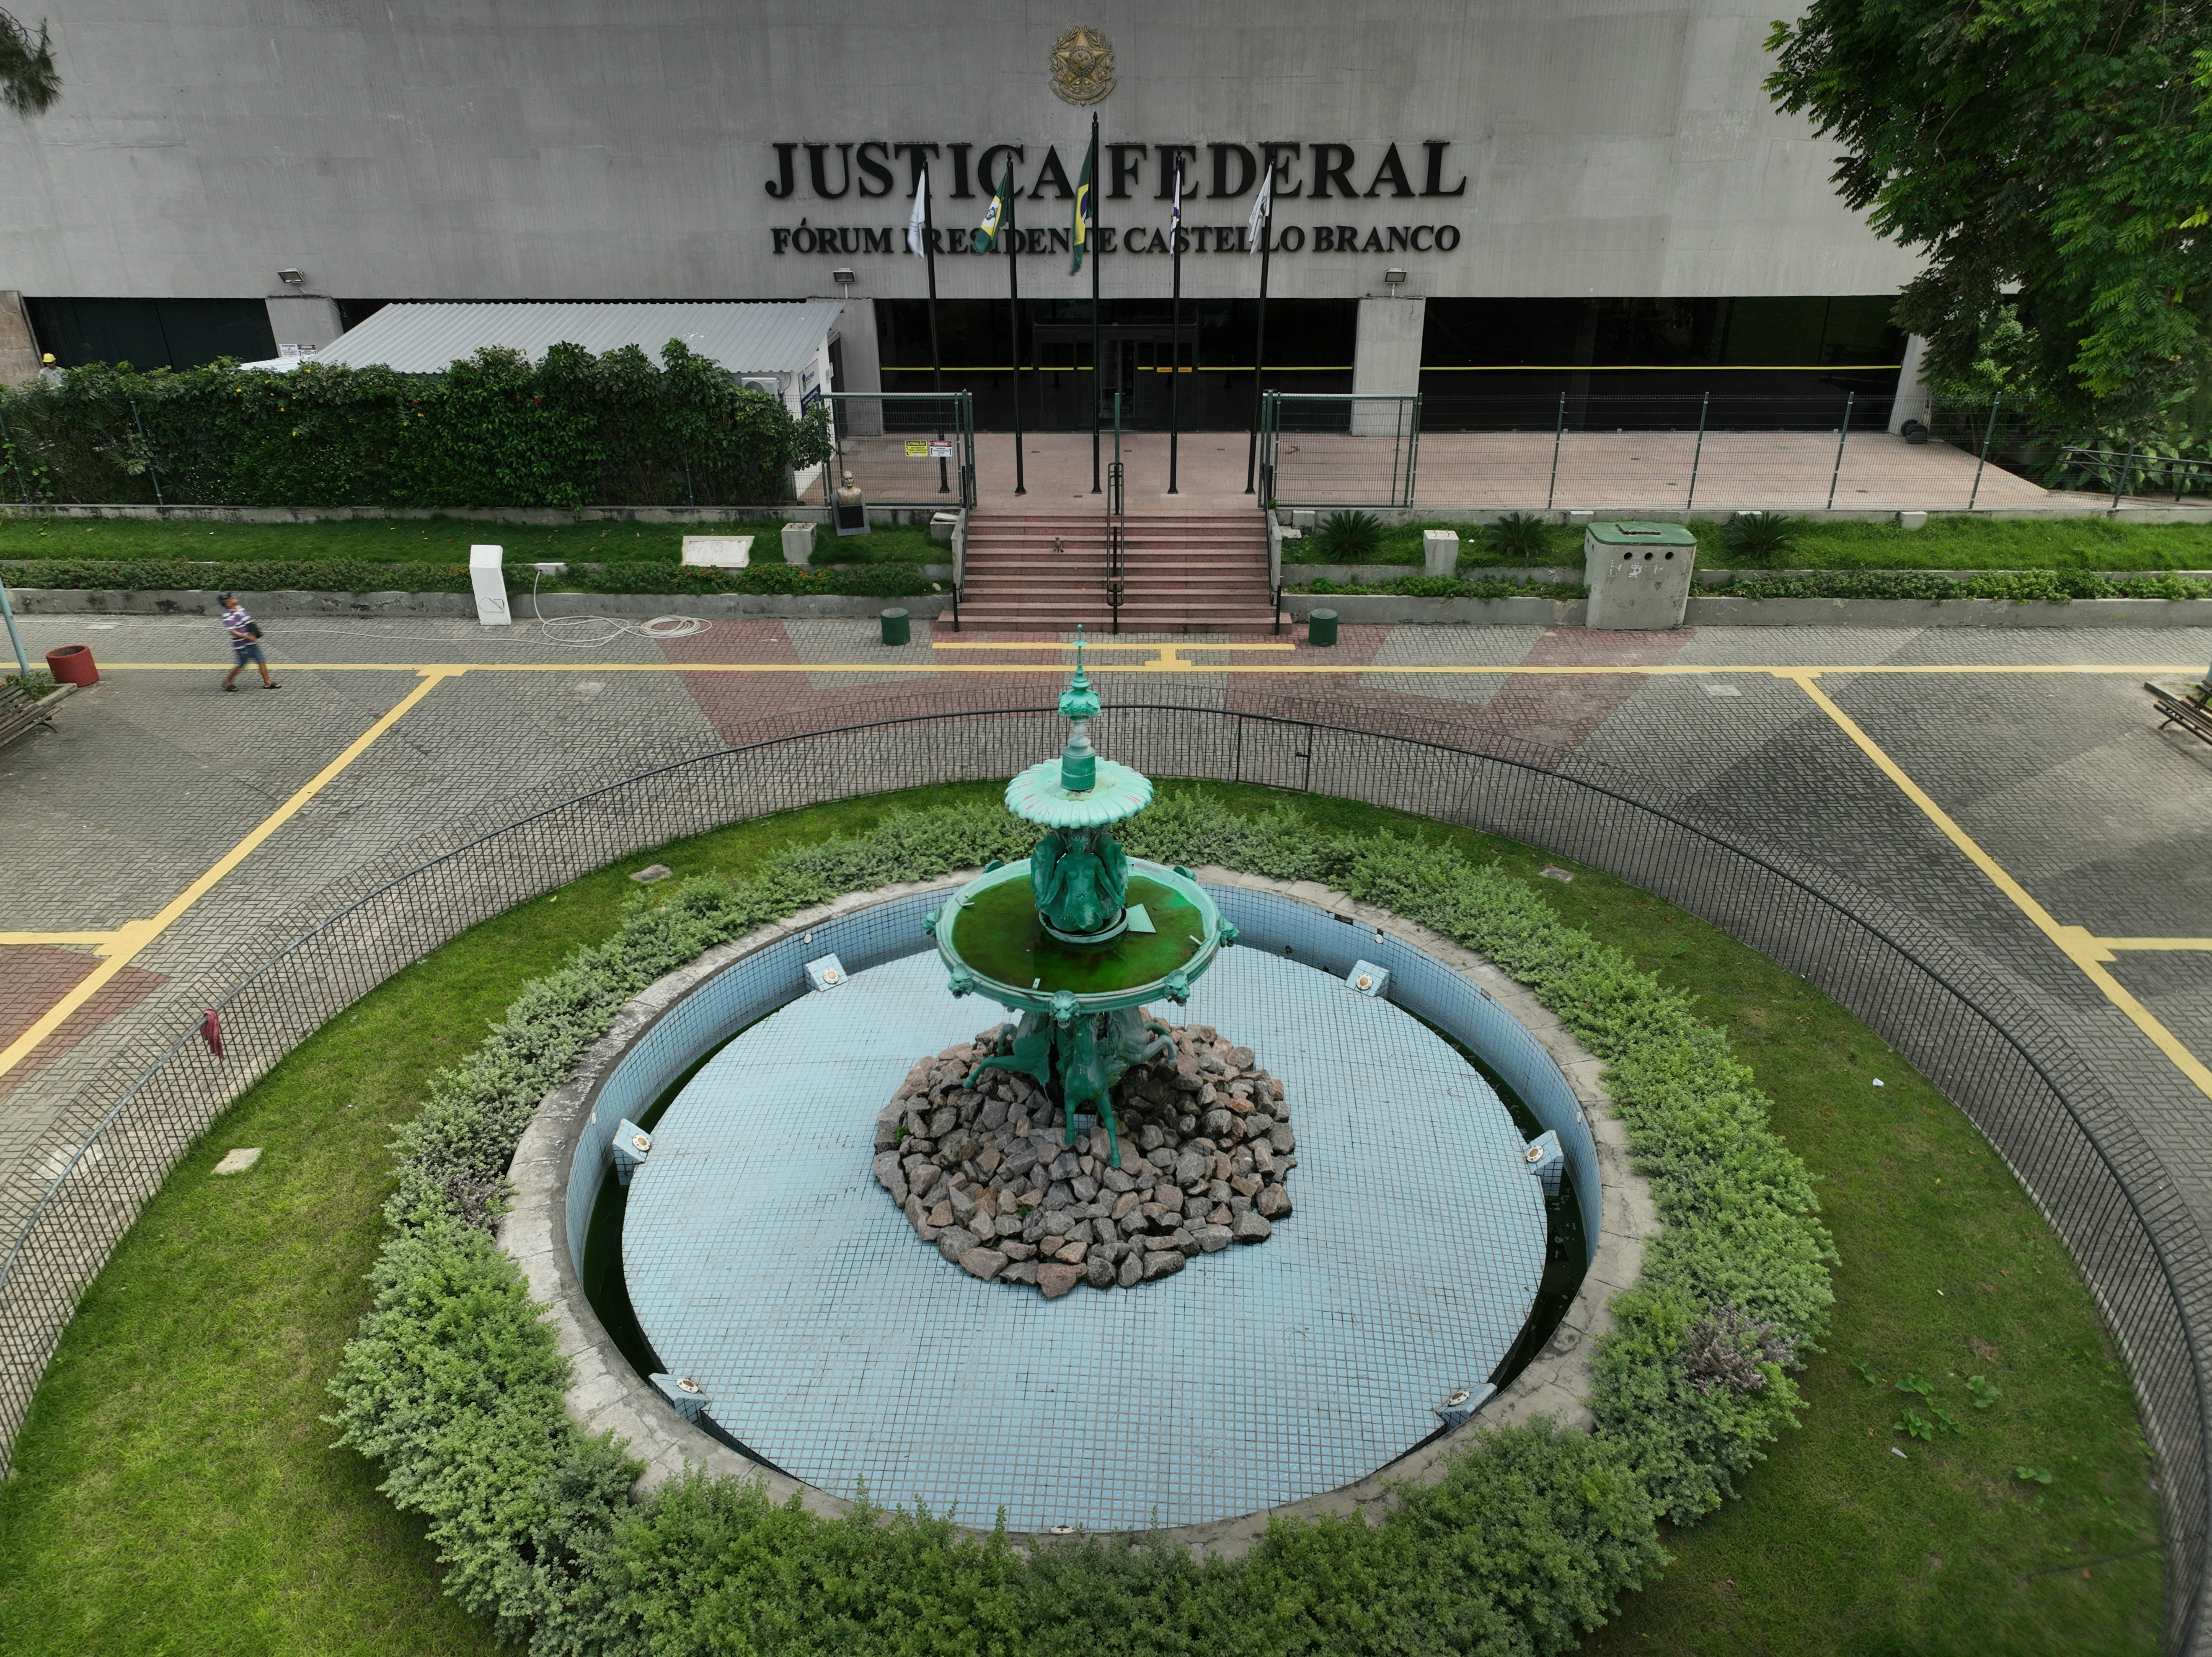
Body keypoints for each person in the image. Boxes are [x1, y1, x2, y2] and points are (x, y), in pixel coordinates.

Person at [219, 594, 279, 691]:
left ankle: (268, 683)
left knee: (261, 660)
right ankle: (228, 681)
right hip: (242, 645)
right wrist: (246, 637)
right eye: (231, 599)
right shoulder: (228, 616)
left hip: (252, 642)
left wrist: (253, 634)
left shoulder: (239, 608)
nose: (234, 599)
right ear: (227, 603)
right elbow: (233, 631)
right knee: (241, 665)